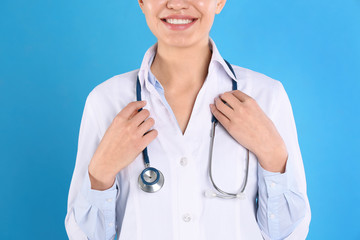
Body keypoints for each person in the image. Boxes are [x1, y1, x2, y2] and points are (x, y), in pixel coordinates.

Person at [65, 0, 311, 239]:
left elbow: (288, 235)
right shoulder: (106, 101)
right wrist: (100, 174)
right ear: (141, 2)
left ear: (219, 2)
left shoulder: (266, 96)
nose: (176, 4)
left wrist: (273, 154)